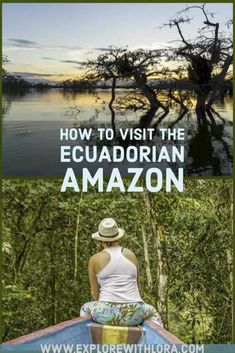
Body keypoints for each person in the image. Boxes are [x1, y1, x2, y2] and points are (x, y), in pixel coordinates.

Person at [80, 218, 163, 327]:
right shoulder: (131, 255)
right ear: (118, 236)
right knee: (153, 312)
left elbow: (94, 294)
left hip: (106, 314)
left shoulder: (94, 259)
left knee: (85, 308)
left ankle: (92, 339)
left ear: (100, 240)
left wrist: (110, 306)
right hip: (134, 313)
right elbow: (137, 287)